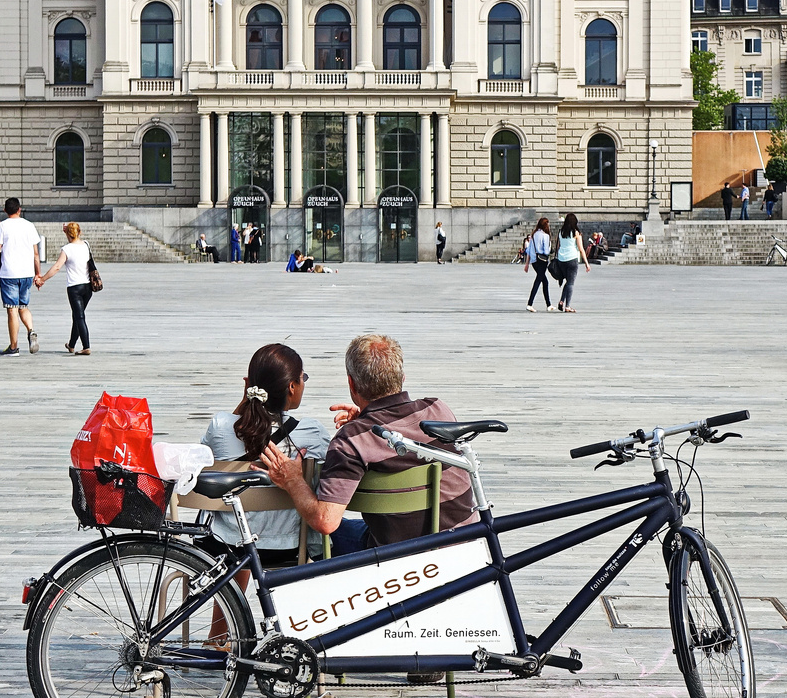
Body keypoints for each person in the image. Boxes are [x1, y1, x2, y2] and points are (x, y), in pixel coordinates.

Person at [261, 334, 473, 557]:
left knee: (319, 534)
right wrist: (366, 422)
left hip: (400, 560)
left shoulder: (351, 441)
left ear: (352, 384)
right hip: (463, 548)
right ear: (402, 377)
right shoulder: (439, 410)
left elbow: (326, 521)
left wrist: (293, 481)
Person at [200, 343, 331, 576]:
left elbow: (206, 459)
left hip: (225, 545)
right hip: (285, 548)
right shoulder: (312, 433)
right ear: (292, 386)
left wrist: (244, 405)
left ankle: (226, 610)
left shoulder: (220, 426)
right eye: (303, 378)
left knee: (237, 526)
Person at [0, 196, 43, 355]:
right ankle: (31, 330)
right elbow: (36, 254)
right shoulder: (29, 226)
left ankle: (13, 347)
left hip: (8, 274)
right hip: (27, 273)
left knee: (12, 310)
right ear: (19, 210)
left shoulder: (1, 227)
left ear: (4, 210)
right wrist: (38, 274)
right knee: (23, 307)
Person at [39, 221, 95, 355]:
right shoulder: (86, 245)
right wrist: (68, 231)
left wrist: (42, 279)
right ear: (79, 232)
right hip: (88, 288)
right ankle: (71, 344)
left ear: (67, 234)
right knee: (77, 316)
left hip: (74, 288)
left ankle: (86, 346)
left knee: (79, 317)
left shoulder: (67, 249)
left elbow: (57, 267)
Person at [554, 212, 589, 312]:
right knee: (571, 283)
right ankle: (567, 306)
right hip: (572, 258)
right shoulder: (576, 232)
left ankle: (561, 301)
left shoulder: (561, 232)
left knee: (568, 281)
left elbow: (558, 246)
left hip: (561, 259)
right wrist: (586, 263)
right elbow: (581, 249)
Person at [523, 217, 553, 312]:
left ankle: (549, 304)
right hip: (542, 261)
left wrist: (527, 264)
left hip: (534, 261)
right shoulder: (545, 236)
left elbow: (529, 250)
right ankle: (530, 303)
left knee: (544, 281)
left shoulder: (533, 235)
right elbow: (546, 251)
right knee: (538, 281)